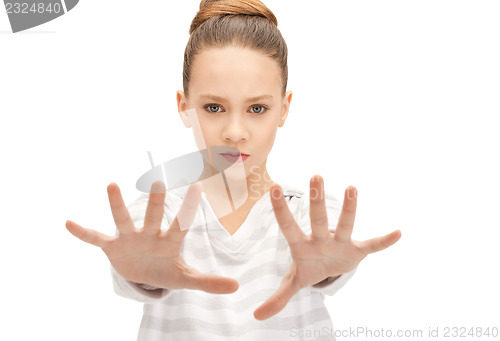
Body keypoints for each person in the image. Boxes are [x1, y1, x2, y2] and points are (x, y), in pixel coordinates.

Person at [65, 0, 402, 340]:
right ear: (185, 108)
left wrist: (330, 268)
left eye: (257, 108)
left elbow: (327, 249)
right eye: (214, 107)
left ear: (284, 109)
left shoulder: (307, 213)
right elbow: (138, 256)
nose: (235, 132)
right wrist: (140, 275)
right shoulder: (160, 213)